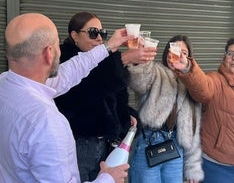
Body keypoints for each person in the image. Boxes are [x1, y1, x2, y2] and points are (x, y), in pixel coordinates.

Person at [0, 12, 134, 183]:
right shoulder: (46, 122)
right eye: (57, 45)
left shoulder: (5, 84)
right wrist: (108, 179)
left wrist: (109, 46)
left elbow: (69, 72)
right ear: (49, 53)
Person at [54, 11, 157, 182]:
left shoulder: (106, 60)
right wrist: (122, 59)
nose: (99, 39)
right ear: (75, 36)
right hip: (78, 142)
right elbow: (84, 94)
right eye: (93, 33)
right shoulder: (64, 60)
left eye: (102, 33)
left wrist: (125, 115)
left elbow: (115, 97)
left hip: (104, 144)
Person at [174, 36, 234, 183]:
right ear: (225, 58)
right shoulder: (215, 80)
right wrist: (187, 67)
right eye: (230, 54)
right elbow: (202, 88)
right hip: (218, 165)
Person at [126, 35, 204, 183]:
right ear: (167, 52)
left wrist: (192, 167)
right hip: (149, 143)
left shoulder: (191, 85)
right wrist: (141, 59)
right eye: (173, 49)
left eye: (184, 53)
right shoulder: (155, 72)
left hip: (177, 149)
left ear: (189, 59)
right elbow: (138, 81)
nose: (177, 54)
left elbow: (193, 127)